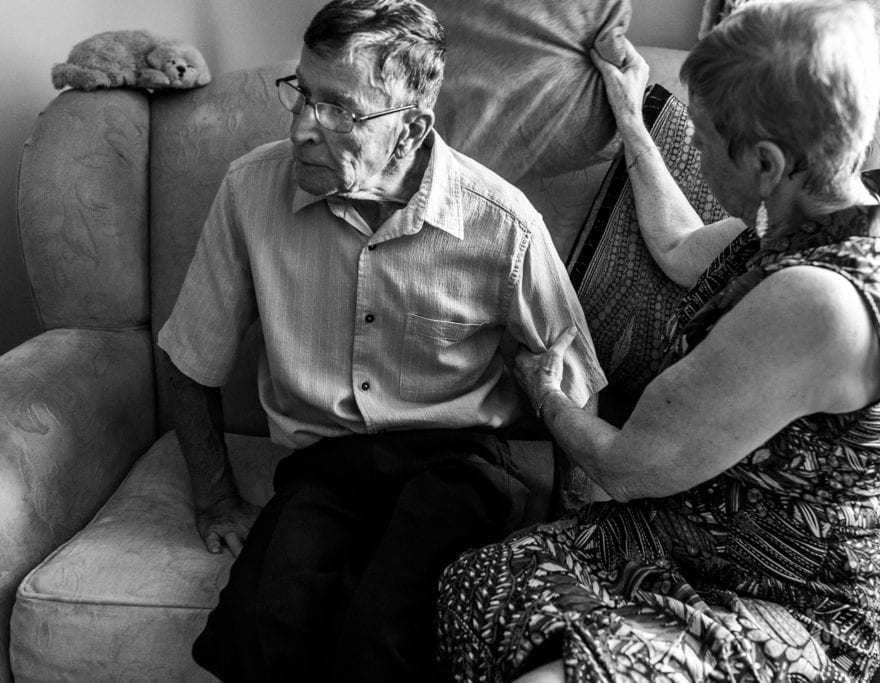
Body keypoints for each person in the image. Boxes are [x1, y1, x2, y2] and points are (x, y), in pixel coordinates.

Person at [436, 1, 880, 681]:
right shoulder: (812, 226)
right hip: (684, 541)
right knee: (476, 582)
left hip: (787, 600)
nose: (691, 149)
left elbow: (625, 465)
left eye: (699, 139)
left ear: (765, 163)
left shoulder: (815, 302)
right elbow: (675, 244)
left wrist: (544, 393)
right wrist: (631, 115)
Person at [156, 0, 606, 680]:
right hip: (324, 462)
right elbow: (189, 355)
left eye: (339, 109)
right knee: (257, 627)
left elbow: (573, 379)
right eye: (302, 94)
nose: (302, 128)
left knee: (385, 635)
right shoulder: (251, 190)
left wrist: (572, 529)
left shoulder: (500, 221)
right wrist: (215, 497)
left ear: (410, 127)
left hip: (456, 463)